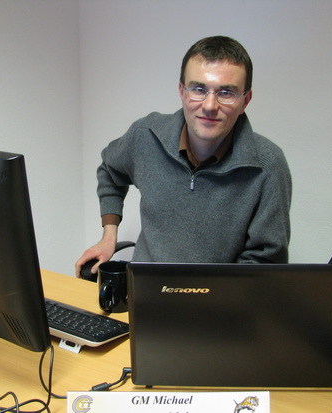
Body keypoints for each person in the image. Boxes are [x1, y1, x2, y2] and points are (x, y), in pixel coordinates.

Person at [75, 35, 292, 277]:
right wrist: (109, 236)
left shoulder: (268, 167)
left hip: (219, 297)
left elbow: (265, 262)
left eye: (226, 93)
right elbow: (110, 170)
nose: (210, 105)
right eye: (198, 89)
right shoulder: (145, 136)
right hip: (145, 289)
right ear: (182, 91)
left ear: (245, 101)